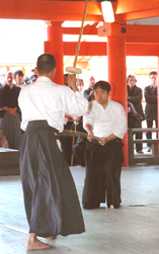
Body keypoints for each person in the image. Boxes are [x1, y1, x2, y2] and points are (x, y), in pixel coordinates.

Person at [18, 53, 88, 250]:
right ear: (55, 70)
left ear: (37, 69)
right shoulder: (60, 90)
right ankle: (32, 237)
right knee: (46, 184)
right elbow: (80, 110)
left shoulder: (25, 91)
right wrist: (74, 88)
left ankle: (46, 228)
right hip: (46, 139)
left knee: (35, 184)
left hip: (28, 139)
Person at [82, 80, 127, 210]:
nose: (99, 95)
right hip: (95, 142)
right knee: (92, 173)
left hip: (112, 143)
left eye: (102, 92)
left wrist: (107, 139)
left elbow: (121, 128)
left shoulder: (117, 107)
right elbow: (87, 121)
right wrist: (90, 132)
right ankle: (91, 202)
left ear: (108, 93)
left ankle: (113, 201)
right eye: (96, 92)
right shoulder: (91, 105)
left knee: (110, 172)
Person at [0, 71, 21, 149]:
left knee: (16, 134)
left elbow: (20, 101)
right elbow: (1, 103)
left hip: (15, 114)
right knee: (5, 134)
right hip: (5, 114)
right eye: (8, 77)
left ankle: (16, 151)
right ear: (5, 78)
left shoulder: (18, 90)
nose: (9, 79)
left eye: (11, 77)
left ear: (14, 78)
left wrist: (14, 109)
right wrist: (9, 110)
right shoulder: (1, 90)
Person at [127, 75, 145, 154]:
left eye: (133, 80)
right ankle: (128, 149)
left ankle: (139, 149)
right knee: (128, 132)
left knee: (139, 132)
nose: (132, 82)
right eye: (130, 80)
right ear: (127, 81)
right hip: (128, 114)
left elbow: (138, 99)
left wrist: (129, 98)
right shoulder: (124, 89)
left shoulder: (139, 89)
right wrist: (131, 99)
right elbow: (124, 98)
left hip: (137, 113)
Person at [144, 71, 158, 152]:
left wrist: (152, 98)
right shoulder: (146, 88)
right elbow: (147, 98)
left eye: (155, 77)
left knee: (157, 129)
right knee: (148, 129)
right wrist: (156, 98)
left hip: (157, 111)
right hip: (149, 111)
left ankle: (157, 145)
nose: (153, 79)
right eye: (152, 78)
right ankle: (149, 146)